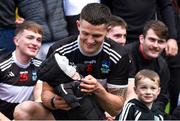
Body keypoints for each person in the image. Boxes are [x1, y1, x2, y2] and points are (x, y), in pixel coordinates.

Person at [13, 3, 130, 120]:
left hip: (94, 115)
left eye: (96, 35)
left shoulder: (118, 55)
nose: (90, 40)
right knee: (24, 110)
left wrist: (98, 90)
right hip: (60, 115)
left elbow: (116, 108)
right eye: (85, 33)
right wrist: (54, 101)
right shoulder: (59, 50)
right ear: (78, 25)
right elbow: (46, 93)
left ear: (107, 30)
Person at [102, 0, 178, 57]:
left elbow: (166, 6)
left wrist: (172, 37)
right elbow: (105, 9)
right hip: (120, 37)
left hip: (148, 38)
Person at [0, 21, 43, 120]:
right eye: (30, 38)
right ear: (16, 41)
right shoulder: (2, 65)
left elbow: (38, 99)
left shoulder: (40, 66)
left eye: (38, 40)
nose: (35, 43)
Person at [125, 20, 170, 112]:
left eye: (160, 42)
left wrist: (153, 114)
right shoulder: (126, 54)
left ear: (165, 44)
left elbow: (162, 98)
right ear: (142, 39)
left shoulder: (162, 65)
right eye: (152, 40)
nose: (156, 45)